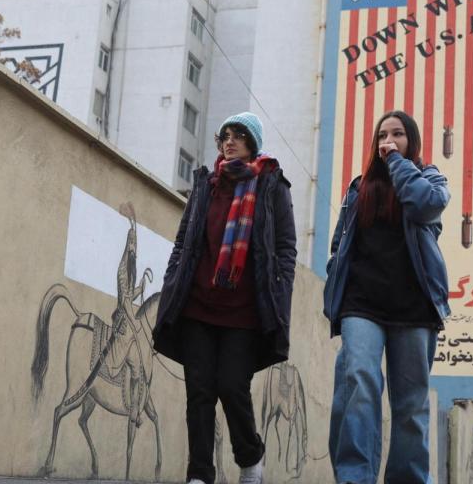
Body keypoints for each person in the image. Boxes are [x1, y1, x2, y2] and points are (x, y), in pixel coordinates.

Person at [153, 111, 297, 484]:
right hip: (198, 304)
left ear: (253, 143)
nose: (229, 141)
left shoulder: (271, 185)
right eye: (225, 136)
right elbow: (184, 240)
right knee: (199, 391)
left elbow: (285, 249)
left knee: (232, 386)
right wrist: (172, 279)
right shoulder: (207, 184)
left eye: (238, 135)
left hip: (246, 311)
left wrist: (281, 293)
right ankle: (199, 474)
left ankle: (250, 457)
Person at [324, 110, 451, 484]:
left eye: (398, 134)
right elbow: (340, 244)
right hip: (361, 303)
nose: (389, 140)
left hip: (413, 306)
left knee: (411, 406)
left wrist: (397, 162)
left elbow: (425, 204)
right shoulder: (358, 188)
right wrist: (335, 281)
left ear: (411, 141)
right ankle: (354, 477)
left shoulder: (429, 179)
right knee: (359, 384)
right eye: (383, 135)